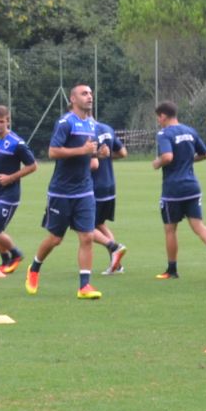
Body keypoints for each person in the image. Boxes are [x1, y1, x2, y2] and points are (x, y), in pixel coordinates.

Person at [26, 95, 101, 298]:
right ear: (73, 98)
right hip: (61, 191)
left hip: (85, 190)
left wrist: (96, 154)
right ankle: (34, 268)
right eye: (84, 93)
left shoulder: (93, 125)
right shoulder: (65, 122)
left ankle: (84, 286)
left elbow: (92, 158)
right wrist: (82, 150)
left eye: (91, 93)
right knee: (55, 239)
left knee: (87, 236)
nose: (90, 96)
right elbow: (52, 152)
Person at [151, 102, 206, 279]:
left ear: (163, 116)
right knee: (199, 226)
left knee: (170, 229)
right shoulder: (190, 131)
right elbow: (205, 154)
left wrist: (157, 163)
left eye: (158, 117)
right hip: (192, 186)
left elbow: (167, 157)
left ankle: (172, 270)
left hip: (173, 189)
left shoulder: (164, 134)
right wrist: (187, 161)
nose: (158, 121)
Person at [0, 105, 37, 278]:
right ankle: (5, 260)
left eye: (1, 122)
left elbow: (33, 166)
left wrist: (11, 177)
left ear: (8, 122)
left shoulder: (17, 143)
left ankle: (16, 254)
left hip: (9, 195)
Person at [82, 88, 128, 274]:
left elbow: (93, 164)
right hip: (110, 185)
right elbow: (123, 153)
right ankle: (117, 262)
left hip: (94, 187)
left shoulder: (87, 132)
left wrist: (76, 164)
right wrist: (106, 157)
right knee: (99, 224)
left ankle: (114, 247)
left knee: (83, 225)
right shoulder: (107, 128)